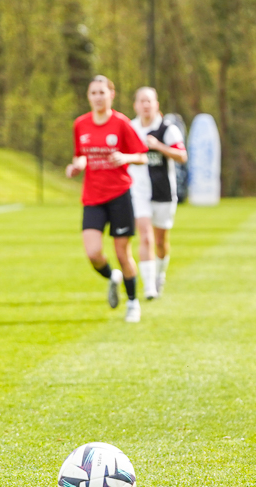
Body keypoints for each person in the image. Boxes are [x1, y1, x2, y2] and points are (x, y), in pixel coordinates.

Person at [66, 75, 148, 322]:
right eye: (93, 93)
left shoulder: (121, 123)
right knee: (93, 253)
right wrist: (76, 166)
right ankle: (113, 276)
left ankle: (133, 303)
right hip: (93, 197)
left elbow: (142, 156)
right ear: (88, 97)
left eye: (102, 92)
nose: (98, 97)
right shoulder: (80, 124)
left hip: (119, 195)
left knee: (123, 253)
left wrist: (125, 157)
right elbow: (81, 155)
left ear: (111, 94)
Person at [128, 87, 188, 299]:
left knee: (161, 241)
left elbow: (182, 156)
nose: (145, 105)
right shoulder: (130, 128)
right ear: (135, 105)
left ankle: (159, 275)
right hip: (138, 192)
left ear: (156, 105)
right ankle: (148, 288)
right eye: (141, 101)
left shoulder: (167, 129)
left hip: (163, 192)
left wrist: (159, 146)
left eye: (149, 101)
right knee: (145, 236)